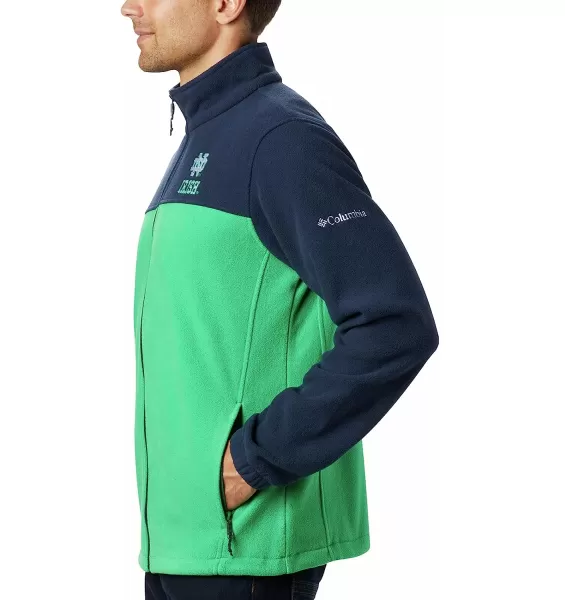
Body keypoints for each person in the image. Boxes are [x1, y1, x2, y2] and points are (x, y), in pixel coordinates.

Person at [120, 1, 439, 598]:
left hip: (246, 549)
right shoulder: (207, 135)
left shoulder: (281, 139)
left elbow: (394, 322)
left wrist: (255, 459)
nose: (128, 7)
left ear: (226, 4)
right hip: (184, 542)